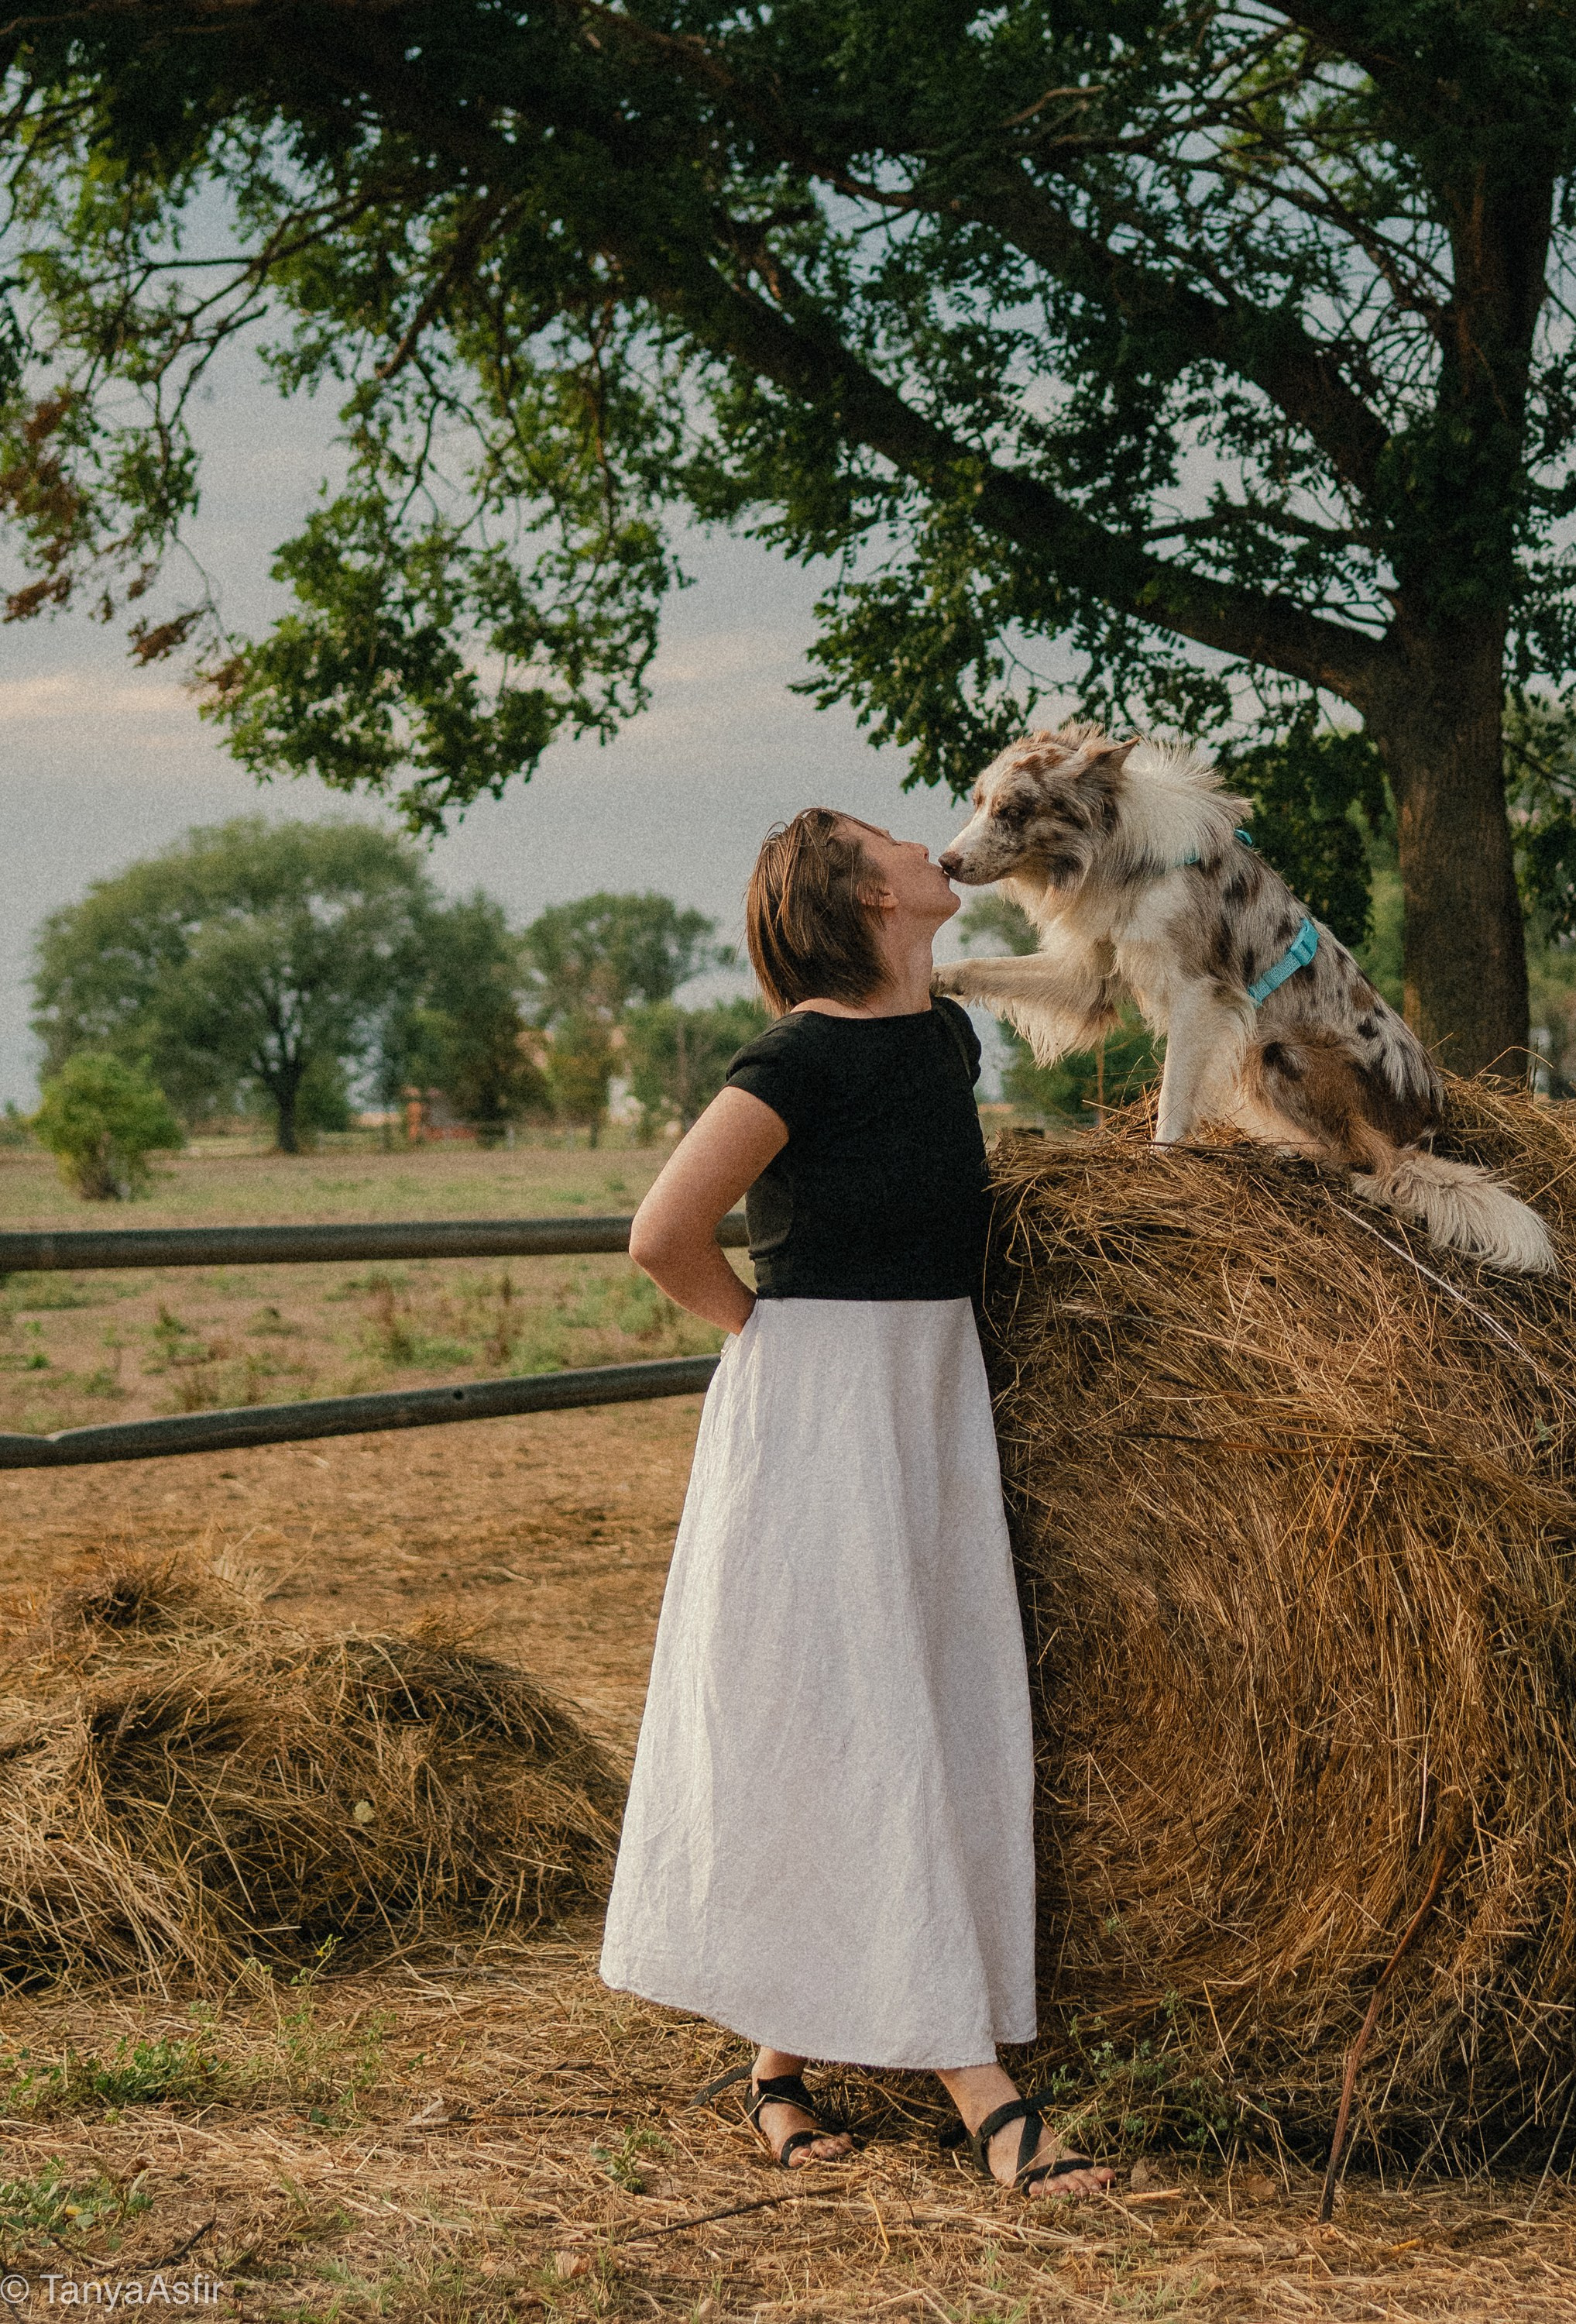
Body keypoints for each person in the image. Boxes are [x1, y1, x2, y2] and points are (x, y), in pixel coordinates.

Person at [600, 810, 1113, 2199]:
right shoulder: (799, 1055)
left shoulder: (944, 1037)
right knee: (865, 1711)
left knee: (908, 1705)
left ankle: (777, 2063)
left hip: (931, 1393)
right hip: (823, 1408)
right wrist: (765, 1338)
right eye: (897, 843)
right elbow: (663, 1233)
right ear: (863, 896)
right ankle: (983, 2093)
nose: (932, 848)